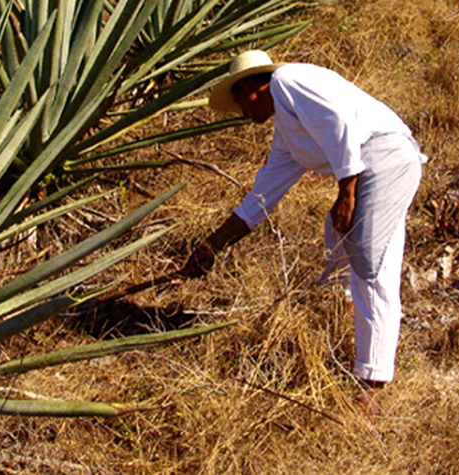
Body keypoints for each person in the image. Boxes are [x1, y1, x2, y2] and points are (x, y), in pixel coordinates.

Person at [182, 50, 426, 412]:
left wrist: (346, 189)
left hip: (385, 156)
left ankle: (373, 386)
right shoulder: (287, 135)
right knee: (340, 242)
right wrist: (213, 246)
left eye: (240, 104)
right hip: (371, 166)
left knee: (369, 262)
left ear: (251, 87)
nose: (245, 118)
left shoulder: (288, 81)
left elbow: (339, 121)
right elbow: (261, 197)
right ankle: (345, 333)